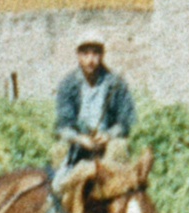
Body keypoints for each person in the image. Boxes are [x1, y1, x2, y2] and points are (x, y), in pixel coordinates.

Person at [52, 31, 135, 193]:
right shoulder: (68, 84)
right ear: (78, 56)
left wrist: (109, 135)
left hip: (107, 143)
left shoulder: (115, 83)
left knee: (119, 158)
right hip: (79, 143)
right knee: (58, 182)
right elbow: (63, 124)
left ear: (102, 55)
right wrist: (79, 138)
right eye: (85, 54)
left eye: (95, 53)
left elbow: (125, 120)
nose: (91, 60)